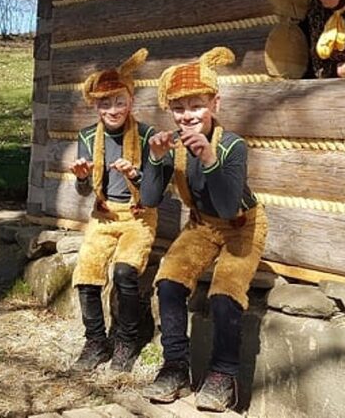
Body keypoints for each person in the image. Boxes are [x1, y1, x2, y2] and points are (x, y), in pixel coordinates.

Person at [139, 47, 267, 412]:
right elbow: (149, 198)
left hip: (242, 224)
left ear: (215, 103)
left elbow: (228, 205)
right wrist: (155, 160)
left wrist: (209, 159)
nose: (187, 115)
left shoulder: (232, 145)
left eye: (196, 106)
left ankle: (223, 376)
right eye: (178, 108)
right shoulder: (174, 145)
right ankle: (175, 367)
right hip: (201, 226)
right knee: (168, 281)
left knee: (225, 292)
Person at [70, 48, 158, 373]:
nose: (113, 109)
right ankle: (95, 341)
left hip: (138, 215)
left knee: (124, 273)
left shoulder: (147, 135)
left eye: (119, 101)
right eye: (105, 103)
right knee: (87, 274)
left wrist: (135, 174)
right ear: (95, 105)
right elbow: (84, 190)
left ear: (131, 100)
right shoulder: (87, 136)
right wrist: (81, 179)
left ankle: (127, 341)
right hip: (104, 214)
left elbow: (155, 190)